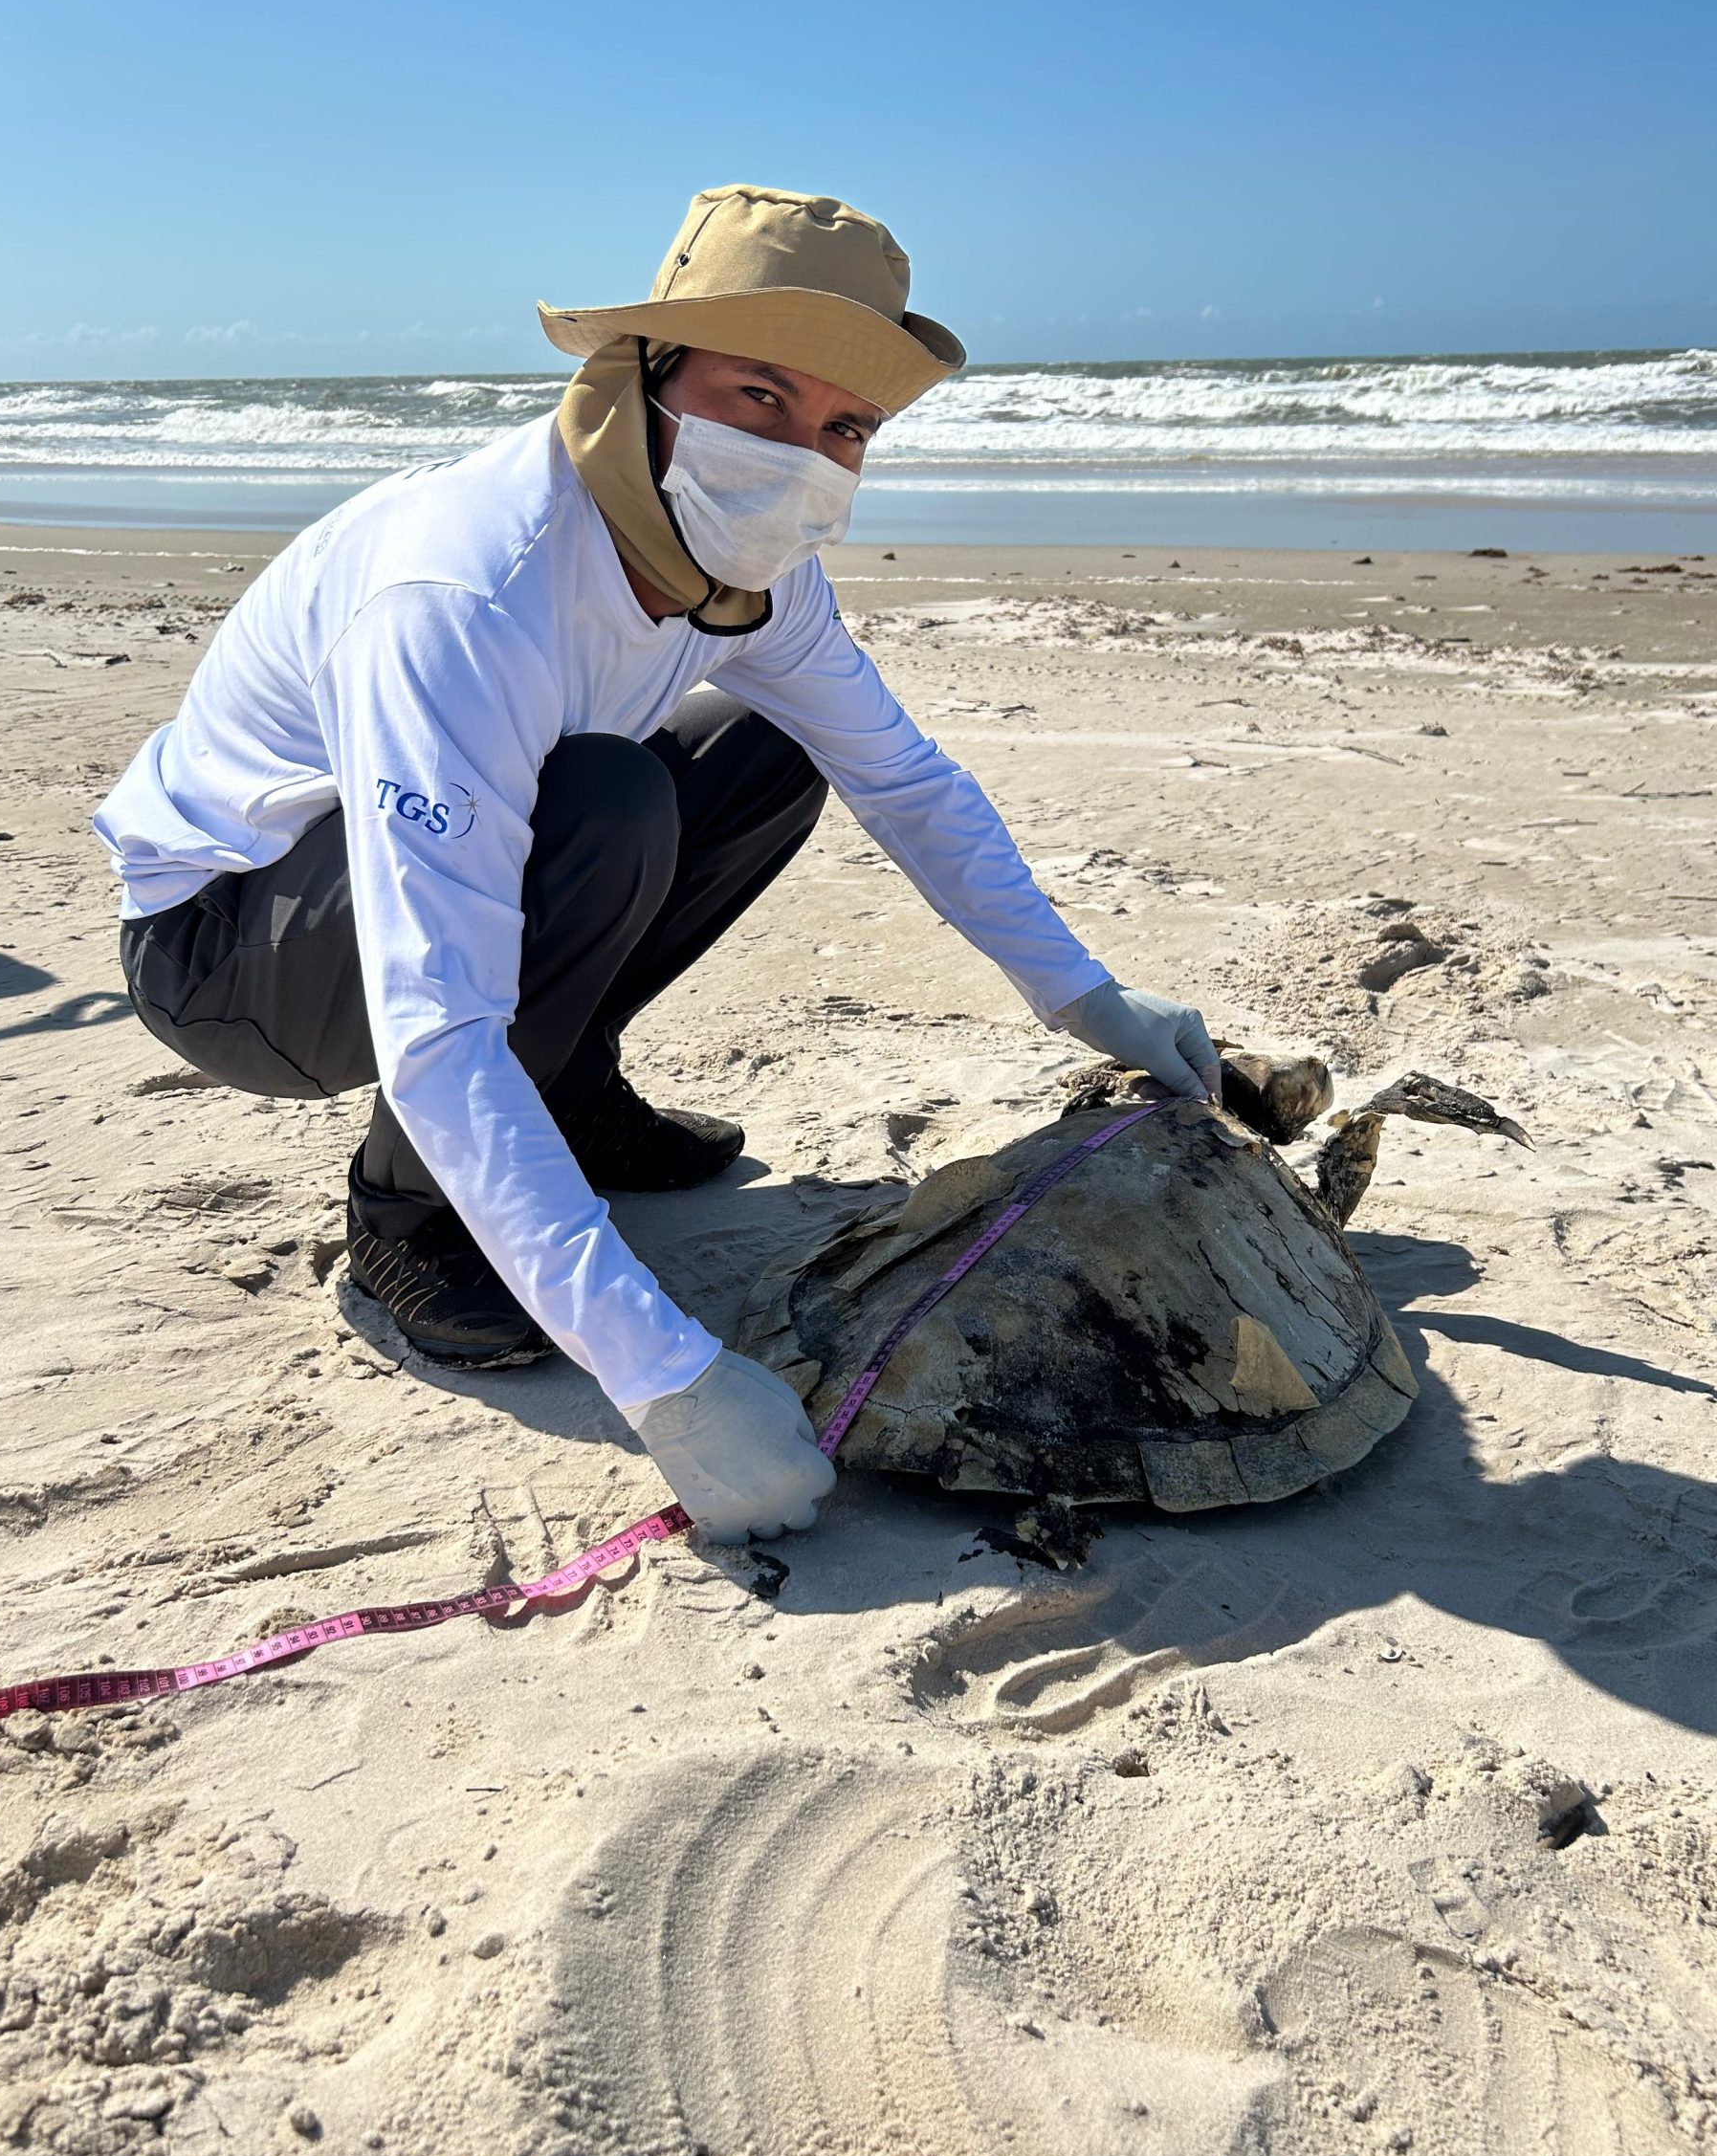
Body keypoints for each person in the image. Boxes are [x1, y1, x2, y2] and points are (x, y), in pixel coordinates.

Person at [94, 186, 1223, 1547]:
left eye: (845, 427)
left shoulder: (755, 570)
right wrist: (669, 1381)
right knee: (607, 799)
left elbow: (909, 783)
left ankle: (566, 1079)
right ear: (639, 373)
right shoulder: (463, 592)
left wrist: (1091, 1003)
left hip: (416, 897)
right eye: (760, 395)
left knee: (761, 743)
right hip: (235, 946)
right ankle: (409, 1222)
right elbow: (435, 1019)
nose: (802, 454)